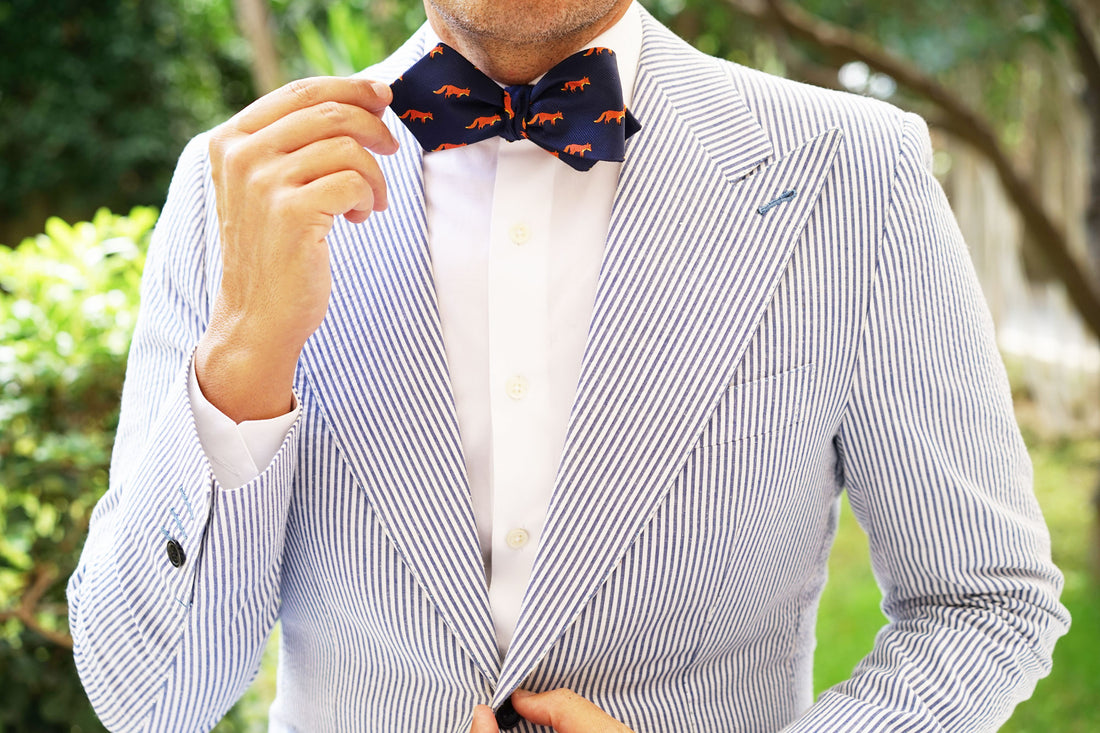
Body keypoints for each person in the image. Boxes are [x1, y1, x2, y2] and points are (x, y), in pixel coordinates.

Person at [67, 0, 1070, 731]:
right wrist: (245, 351)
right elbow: (152, 697)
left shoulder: (854, 177)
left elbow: (981, 604)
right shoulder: (233, 186)